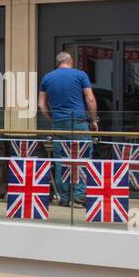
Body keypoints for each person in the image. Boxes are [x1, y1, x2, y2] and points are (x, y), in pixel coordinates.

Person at [38, 51, 98, 208]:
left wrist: (52, 119)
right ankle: (79, 195)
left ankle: (64, 197)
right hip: (78, 121)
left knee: (60, 159)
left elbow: (42, 104)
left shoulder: (47, 77)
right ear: (71, 62)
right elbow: (90, 98)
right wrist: (93, 120)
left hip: (58, 123)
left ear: (57, 63)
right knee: (82, 157)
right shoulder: (80, 75)